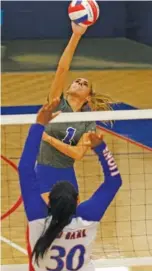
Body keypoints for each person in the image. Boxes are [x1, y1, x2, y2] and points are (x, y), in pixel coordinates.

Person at [18, 100, 122, 271]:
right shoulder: (86, 217)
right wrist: (101, 148)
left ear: (48, 202)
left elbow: (24, 169)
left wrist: (39, 125)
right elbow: (114, 181)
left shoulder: (38, 219)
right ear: (78, 200)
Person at [36, 22, 112, 202]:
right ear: (69, 87)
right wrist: (76, 35)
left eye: (85, 84)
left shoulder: (88, 121)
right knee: (45, 222)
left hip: (67, 173)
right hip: (44, 170)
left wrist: (48, 139)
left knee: (71, 223)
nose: (79, 83)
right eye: (77, 81)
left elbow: (78, 154)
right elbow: (62, 69)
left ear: (87, 97)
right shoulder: (56, 104)